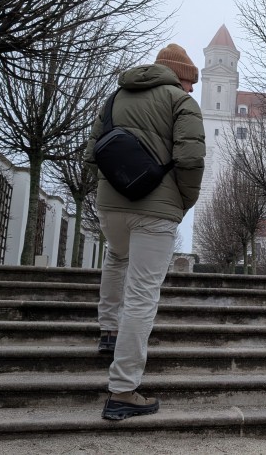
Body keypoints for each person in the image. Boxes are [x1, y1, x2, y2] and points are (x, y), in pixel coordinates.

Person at [84, 43, 205, 420]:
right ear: (181, 77)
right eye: (190, 83)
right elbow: (190, 159)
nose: (191, 90)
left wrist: (109, 189)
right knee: (141, 295)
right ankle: (122, 390)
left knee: (116, 257)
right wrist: (183, 201)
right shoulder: (181, 103)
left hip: (111, 205)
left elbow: (92, 153)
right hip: (157, 209)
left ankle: (108, 331)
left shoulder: (114, 97)